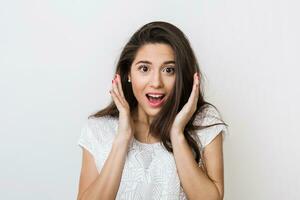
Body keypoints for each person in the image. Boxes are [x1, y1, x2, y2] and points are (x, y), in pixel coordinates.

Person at [76, 21, 229, 200]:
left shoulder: (204, 122)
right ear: (128, 74)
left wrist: (177, 133)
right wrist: (122, 137)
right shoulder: (99, 129)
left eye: (169, 70)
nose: (156, 82)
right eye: (144, 68)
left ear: (182, 75)